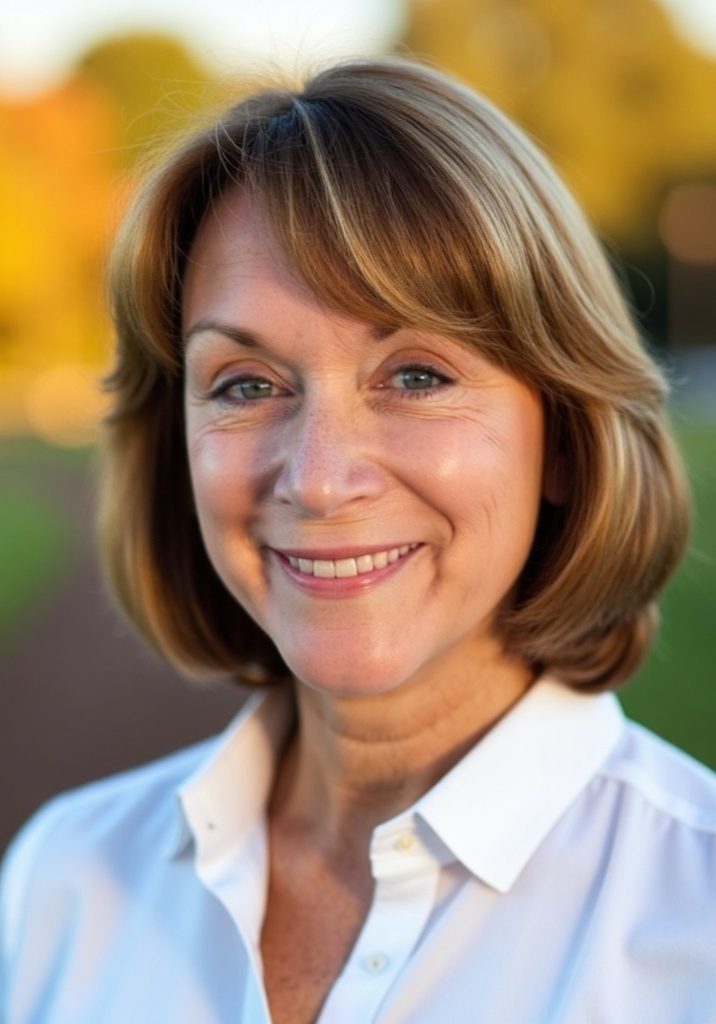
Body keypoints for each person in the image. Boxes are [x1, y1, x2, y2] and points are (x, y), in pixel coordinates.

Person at [1, 56, 714, 1024]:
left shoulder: (692, 920)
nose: (320, 477)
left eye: (414, 375)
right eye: (245, 384)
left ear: (561, 431)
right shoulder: (64, 879)